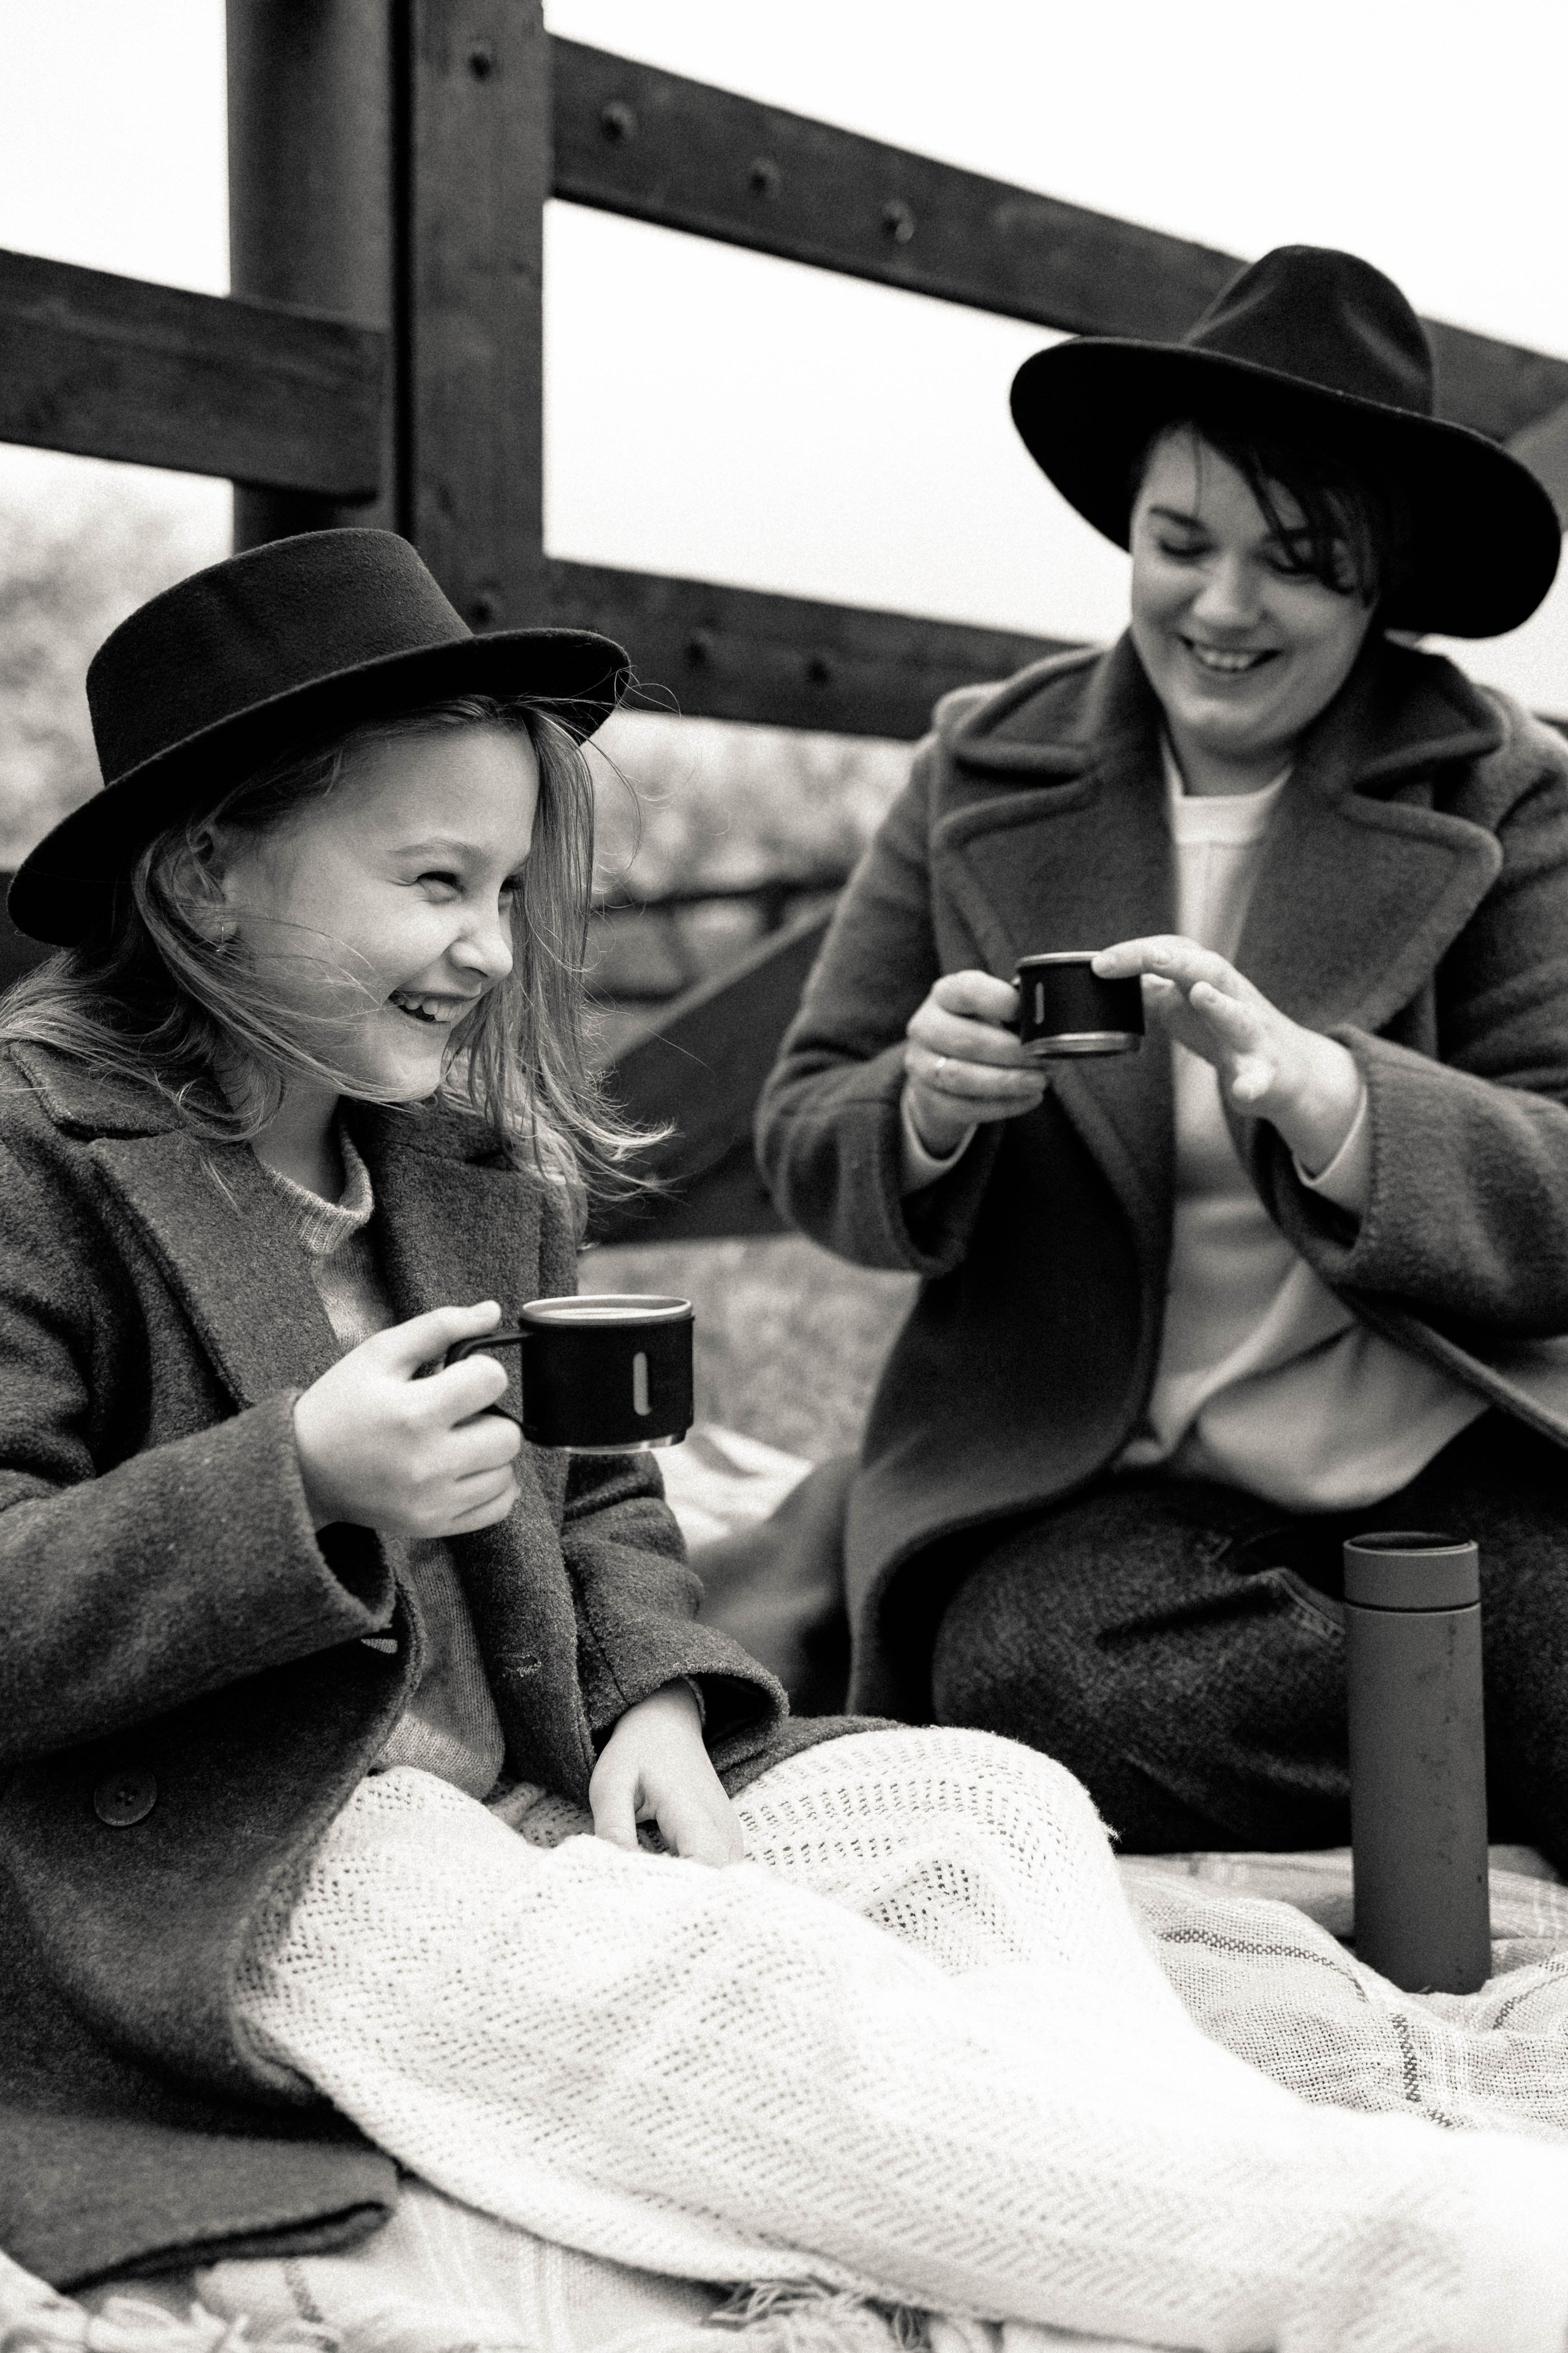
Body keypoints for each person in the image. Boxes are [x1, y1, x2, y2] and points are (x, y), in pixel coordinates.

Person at [6, 525, 1568, 2353]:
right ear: (204, 879)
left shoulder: (451, 1156)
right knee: (725, 1995)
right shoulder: (40, 1160)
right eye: (436, 880)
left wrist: (657, 1684)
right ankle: (1396, 2265)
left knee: (987, 1808)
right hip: (251, 1849)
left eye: (509, 890)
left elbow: (597, 1490)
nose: (486, 949)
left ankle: (1190, 2172)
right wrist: (298, 1486)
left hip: (535, 1775)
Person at [756, 244, 1568, 1862]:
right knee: (1038, 1682)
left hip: (1456, 1457)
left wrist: (1338, 1099)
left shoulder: (1508, 789)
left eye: (1297, 560)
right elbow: (806, 1130)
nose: (1221, 604)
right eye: (1178, 541)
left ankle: (1436, 1751)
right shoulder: (978, 765)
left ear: (1380, 581)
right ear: (1128, 530)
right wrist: (922, 1111)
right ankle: (1477, 1758)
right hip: (1102, 1489)